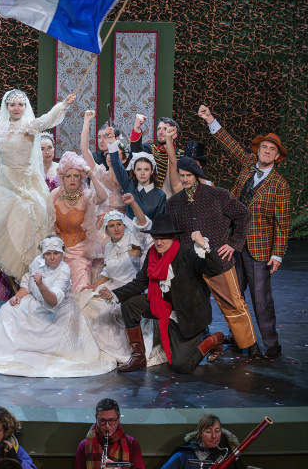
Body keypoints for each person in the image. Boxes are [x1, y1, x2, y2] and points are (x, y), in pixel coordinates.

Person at [200, 104, 290, 360]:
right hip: (233, 242)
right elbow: (229, 144)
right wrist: (210, 119)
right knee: (233, 294)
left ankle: (271, 342)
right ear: (259, 150)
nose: (267, 151)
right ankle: (239, 334)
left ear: (276, 156)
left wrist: (278, 255)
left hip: (259, 249)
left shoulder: (279, 185)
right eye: (264, 147)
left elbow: (283, 224)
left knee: (261, 299)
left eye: (272, 149)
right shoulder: (248, 164)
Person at [0, 235, 116, 377]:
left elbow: (53, 302)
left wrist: (41, 285)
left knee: (45, 331)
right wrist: (17, 296)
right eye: (48, 254)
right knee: (7, 310)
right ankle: (0, 351)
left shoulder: (64, 271)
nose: (52, 257)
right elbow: (27, 285)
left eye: (56, 253)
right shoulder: (37, 262)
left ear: (62, 254)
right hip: (36, 304)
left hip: (58, 313)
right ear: (43, 254)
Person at [99, 215, 225, 373]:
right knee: (130, 304)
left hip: (188, 315)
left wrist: (205, 247)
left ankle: (214, 339)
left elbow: (216, 269)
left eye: (163, 238)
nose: (159, 242)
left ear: (173, 238)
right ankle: (138, 356)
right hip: (162, 306)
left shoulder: (187, 253)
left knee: (182, 366)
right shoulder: (153, 253)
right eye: (156, 238)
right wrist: (114, 294)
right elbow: (140, 283)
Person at [0, 88, 76, 282]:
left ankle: (29, 270)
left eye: (21, 104)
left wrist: (63, 105)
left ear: (25, 106)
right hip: (3, 179)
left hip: (25, 181)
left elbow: (46, 120)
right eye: (12, 104)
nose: (17, 108)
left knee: (29, 211)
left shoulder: (29, 125)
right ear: (7, 107)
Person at [165, 157, 256, 356]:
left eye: (189, 175)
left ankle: (248, 345)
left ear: (197, 176)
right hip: (190, 264)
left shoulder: (217, 195)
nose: (186, 179)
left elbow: (244, 214)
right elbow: (171, 233)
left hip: (218, 260)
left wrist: (233, 244)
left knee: (233, 304)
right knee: (195, 306)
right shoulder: (173, 203)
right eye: (182, 175)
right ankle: (203, 345)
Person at [77, 202, 165, 368]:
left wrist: (132, 202)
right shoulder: (108, 246)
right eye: (111, 226)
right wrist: (95, 284)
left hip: (132, 287)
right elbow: (108, 271)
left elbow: (143, 224)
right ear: (107, 229)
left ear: (124, 226)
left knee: (116, 311)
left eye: (119, 224)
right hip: (113, 285)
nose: (116, 229)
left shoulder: (133, 241)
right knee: (89, 303)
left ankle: (132, 352)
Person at [50, 151, 107, 292]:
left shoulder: (86, 195)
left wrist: (92, 175)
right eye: (68, 176)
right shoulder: (54, 195)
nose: (72, 179)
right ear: (62, 178)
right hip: (58, 252)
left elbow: (103, 197)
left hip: (80, 252)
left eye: (76, 175)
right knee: (55, 291)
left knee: (79, 291)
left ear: (81, 178)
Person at [72, 398, 147, 469]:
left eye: (112, 421)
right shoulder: (84, 445)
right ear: (96, 417)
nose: (107, 426)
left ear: (118, 418)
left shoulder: (131, 443)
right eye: (102, 421)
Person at [156, 413, 245, 469]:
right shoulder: (185, 454)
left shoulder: (229, 457)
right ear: (201, 434)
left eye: (217, 431)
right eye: (209, 432)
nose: (214, 436)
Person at [102, 119, 166, 221]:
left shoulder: (160, 195)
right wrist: (111, 139)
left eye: (146, 169)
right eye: (139, 169)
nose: (143, 173)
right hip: (129, 235)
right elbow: (116, 163)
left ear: (152, 171)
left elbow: (160, 223)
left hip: (150, 235)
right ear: (134, 171)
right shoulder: (129, 185)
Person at [80, 111, 127, 215]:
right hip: (99, 221)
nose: (101, 141)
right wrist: (87, 120)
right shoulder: (98, 170)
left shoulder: (126, 177)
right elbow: (84, 149)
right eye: (99, 137)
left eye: (105, 137)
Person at [129, 114, 183, 196]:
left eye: (165, 129)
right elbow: (135, 151)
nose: (160, 132)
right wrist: (136, 128)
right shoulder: (150, 149)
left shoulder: (181, 154)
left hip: (175, 200)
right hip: (154, 199)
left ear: (174, 134)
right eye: (159, 129)